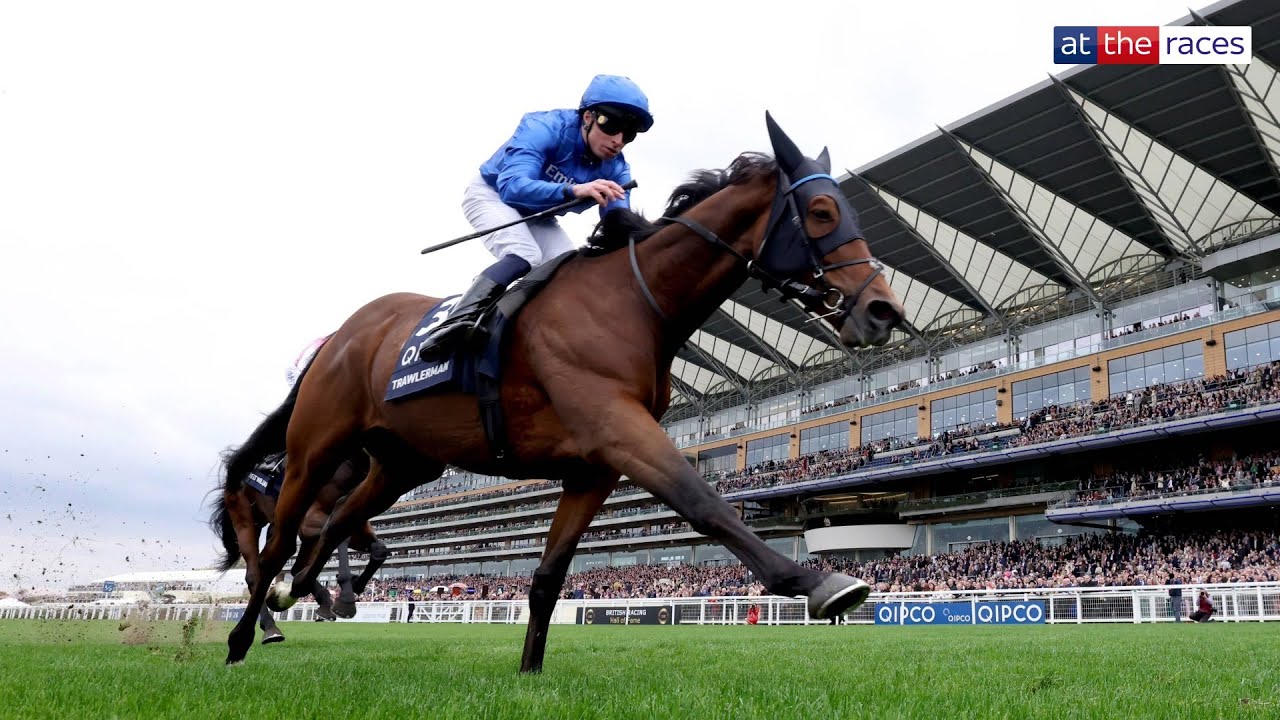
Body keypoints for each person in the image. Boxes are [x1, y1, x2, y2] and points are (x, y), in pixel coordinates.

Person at [415, 74, 654, 355]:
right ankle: (454, 324)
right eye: (611, 125)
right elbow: (512, 187)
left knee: (570, 270)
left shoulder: (617, 169)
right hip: (491, 194)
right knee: (525, 254)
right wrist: (574, 190)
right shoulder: (544, 127)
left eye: (628, 134)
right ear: (588, 117)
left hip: (540, 215)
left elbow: (617, 226)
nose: (617, 140)